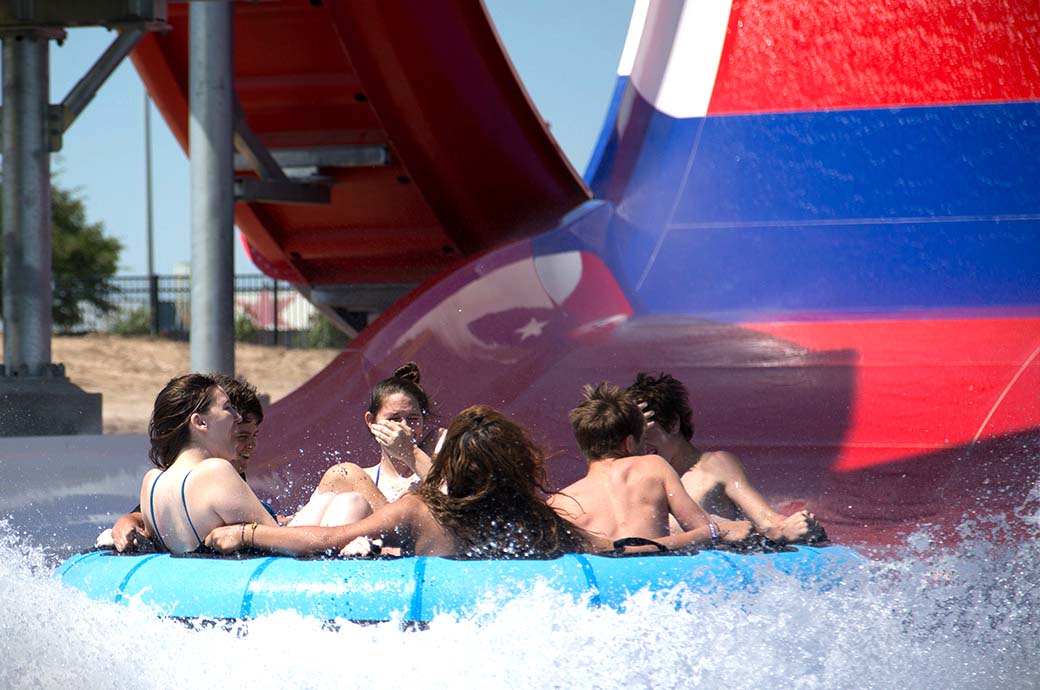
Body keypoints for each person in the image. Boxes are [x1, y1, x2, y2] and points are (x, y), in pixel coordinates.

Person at [206, 405, 590, 558]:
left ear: (452, 465)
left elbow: (328, 540)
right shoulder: (530, 517)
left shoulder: (424, 511)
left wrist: (247, 534)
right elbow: (599, 545)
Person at [549, 383, 753, 549]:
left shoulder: (560, 503)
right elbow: (703, 529)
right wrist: (718, 530)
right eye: (643, 440)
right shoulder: (653, 466)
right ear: (629, 443)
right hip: (657, 576)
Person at [627, 371, 824, 543]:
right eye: (630, 437)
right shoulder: (632, 473)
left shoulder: (715, 465)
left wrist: (794, 525)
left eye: (644, 433)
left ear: (672, 424)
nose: (638, 444)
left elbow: (766, 518)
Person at [97, 375, 272, 552]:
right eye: (228, 409)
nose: (237, 417)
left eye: (254, 435)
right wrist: (245, 534)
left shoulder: (152, 481)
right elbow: (281, 541)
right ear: (200, 422)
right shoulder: (217, 473)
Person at [291, 362, 442, 525]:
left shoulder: (437, 450)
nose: (403, 428)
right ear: (371, 421)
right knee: (344, 475)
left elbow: (457, 502)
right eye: (394, 419)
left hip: (414, 543)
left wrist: (410, 453)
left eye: (413, 419)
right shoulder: (355, 478)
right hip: (356, 544)